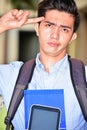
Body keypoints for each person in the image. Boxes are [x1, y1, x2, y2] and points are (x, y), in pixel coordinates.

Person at [0, 0, 87, 130]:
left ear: (72, 37)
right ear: (37, 28)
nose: (55, 35)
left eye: (64, 29)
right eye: (49, 25)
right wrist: (1, 25)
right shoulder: (11, 75)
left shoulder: (84, 78)